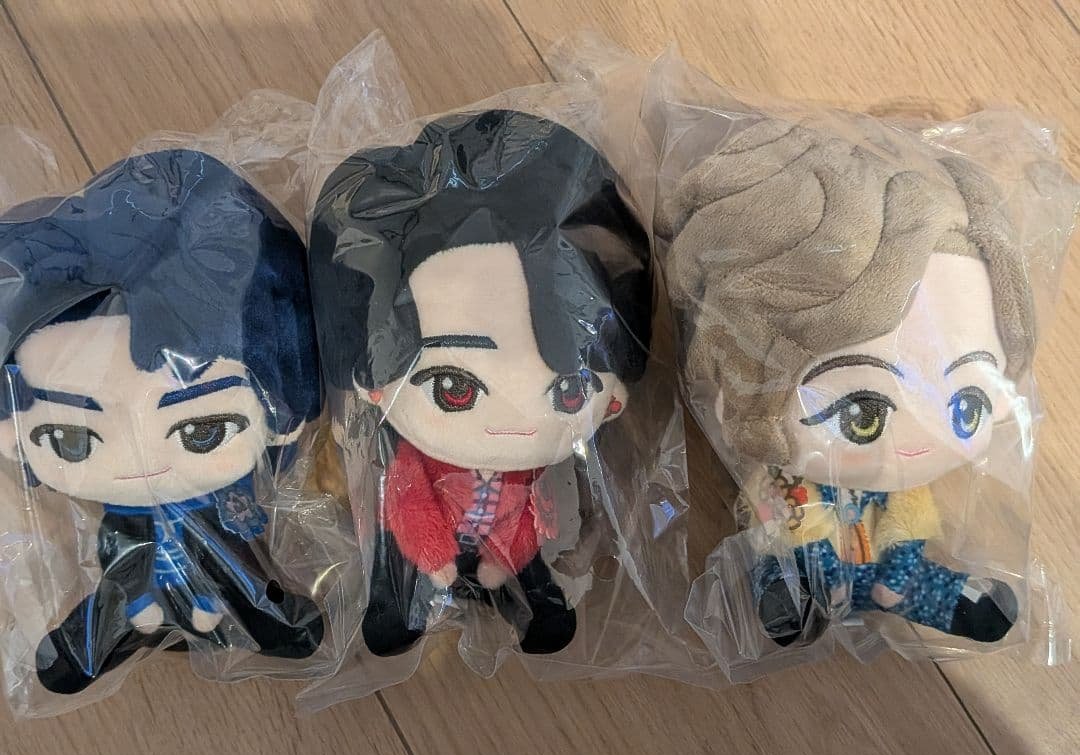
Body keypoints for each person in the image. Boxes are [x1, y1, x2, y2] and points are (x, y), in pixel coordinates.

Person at [665, 118, 1032, 646]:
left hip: (883, 566)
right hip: (814, 563)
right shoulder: (784, 479)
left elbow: (910, 524)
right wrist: (821, 569)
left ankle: (948, 602)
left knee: (911, 577)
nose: (915, 442)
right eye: (861, 415)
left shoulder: (906, 490)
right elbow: (784, 522)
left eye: (966, 405)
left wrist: (895, 578)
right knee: (784, 571)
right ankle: (797, 599)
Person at [309, 109, 652, 656]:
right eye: (454, 388)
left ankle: (524, 599)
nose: (511, 421)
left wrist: (503, 560)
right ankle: (403, 599)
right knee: (395, 556)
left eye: (568, 391)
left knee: (527, 565)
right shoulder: (417, 458)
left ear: (614, 402)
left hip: (495, 541)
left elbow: (527, 519)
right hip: (431, 544)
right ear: (376, 386)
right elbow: (408, 502)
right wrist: (433, 557)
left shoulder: (533, 470)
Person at [0, 149, 325, 693]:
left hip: (211, 525)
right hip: (134, 544)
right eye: (72, 440)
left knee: (232, 565)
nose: (140, 461)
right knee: (129, 578)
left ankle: (242, 611)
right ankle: (126, 622)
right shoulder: (122, 518)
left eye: (203, 431)